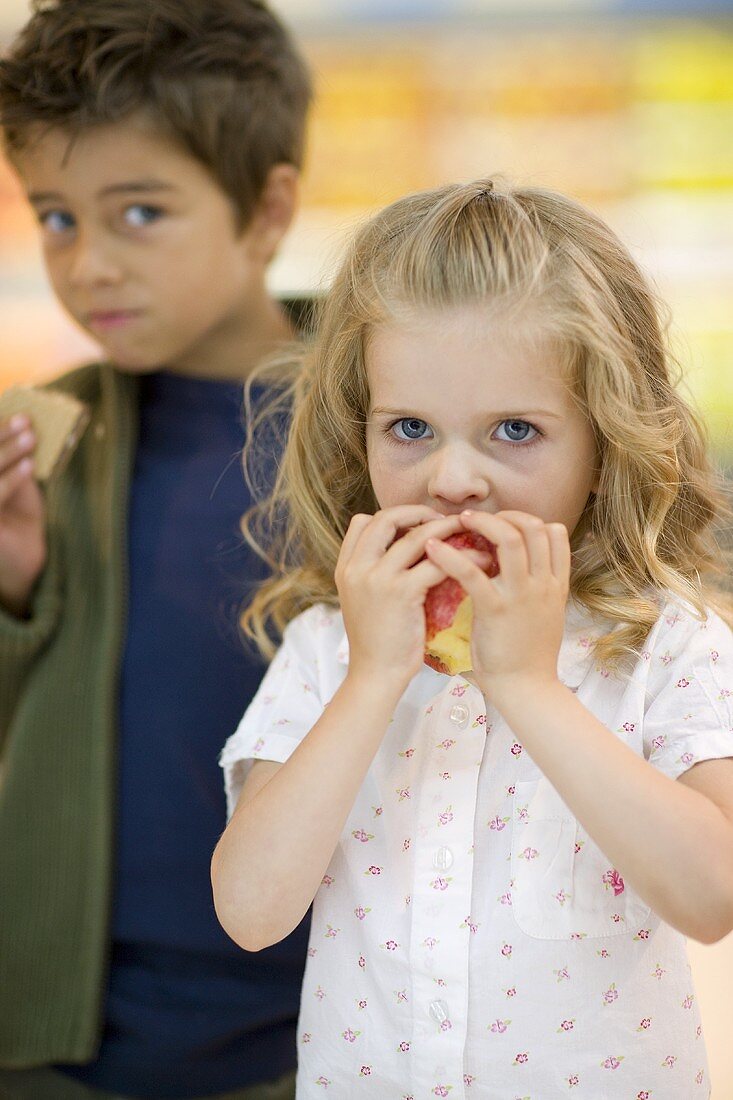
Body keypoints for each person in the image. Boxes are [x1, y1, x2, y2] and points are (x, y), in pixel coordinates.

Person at [211, 177, 733, 1099]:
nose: (453, 478)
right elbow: (251, 912)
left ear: (604, 445)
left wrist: (529, 686)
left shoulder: (663, 641)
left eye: (515, 431)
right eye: (409, 428)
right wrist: (372, 678)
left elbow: (710, 898)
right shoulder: (329, 648)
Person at [0, 2, 312, 1098]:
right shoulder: (42, 442)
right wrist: (13, 589)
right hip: (61, 1047)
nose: (88, 264)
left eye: (139, 210)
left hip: (328, 1035)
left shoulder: (396, 433)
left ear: (266, 210)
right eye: (55, 216)